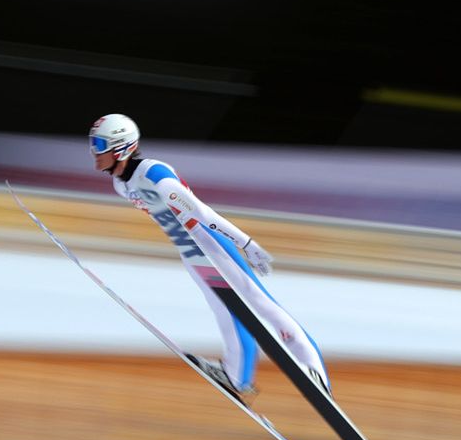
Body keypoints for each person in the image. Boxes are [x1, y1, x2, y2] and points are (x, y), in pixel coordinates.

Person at [89, 113, 332, 403]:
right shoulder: (121, 185)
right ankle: (237, 376)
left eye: (99, 144)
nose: (93, 152)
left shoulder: (153, 174)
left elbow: (202, 213)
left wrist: (246, 243)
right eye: (92, 143)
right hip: (189, 250)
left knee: (259, 303)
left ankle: (314, 371)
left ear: (121, 147)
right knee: (223, 310)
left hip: (210, 243)